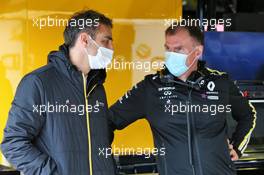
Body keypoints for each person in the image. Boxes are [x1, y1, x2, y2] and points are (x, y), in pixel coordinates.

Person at [109, 24, 257, 175]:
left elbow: (248, 114)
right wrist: (102, 163)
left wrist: (237, 146)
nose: (171, 54)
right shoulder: (150, 88)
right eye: (168, 48)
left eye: (178, 49)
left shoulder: (220, 82)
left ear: (198, 51)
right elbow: (108, 121)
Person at [1, 10, 116, 175]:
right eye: (106, 41)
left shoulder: (97, 87)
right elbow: (13, 143)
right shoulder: (38, 82)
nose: (112, 48)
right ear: (84, 39)